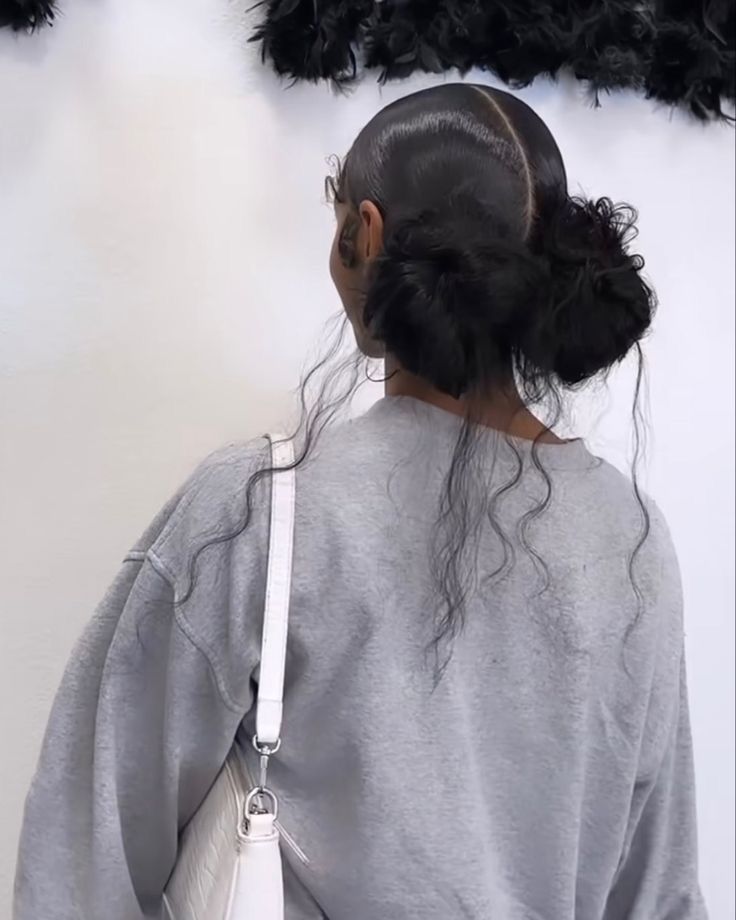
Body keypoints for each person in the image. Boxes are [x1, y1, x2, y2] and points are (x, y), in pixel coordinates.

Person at [14, 84, 706, 920]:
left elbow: (83, 855)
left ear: (365, 234)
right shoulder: (631, 540)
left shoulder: (262, 509)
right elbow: (661, 896)